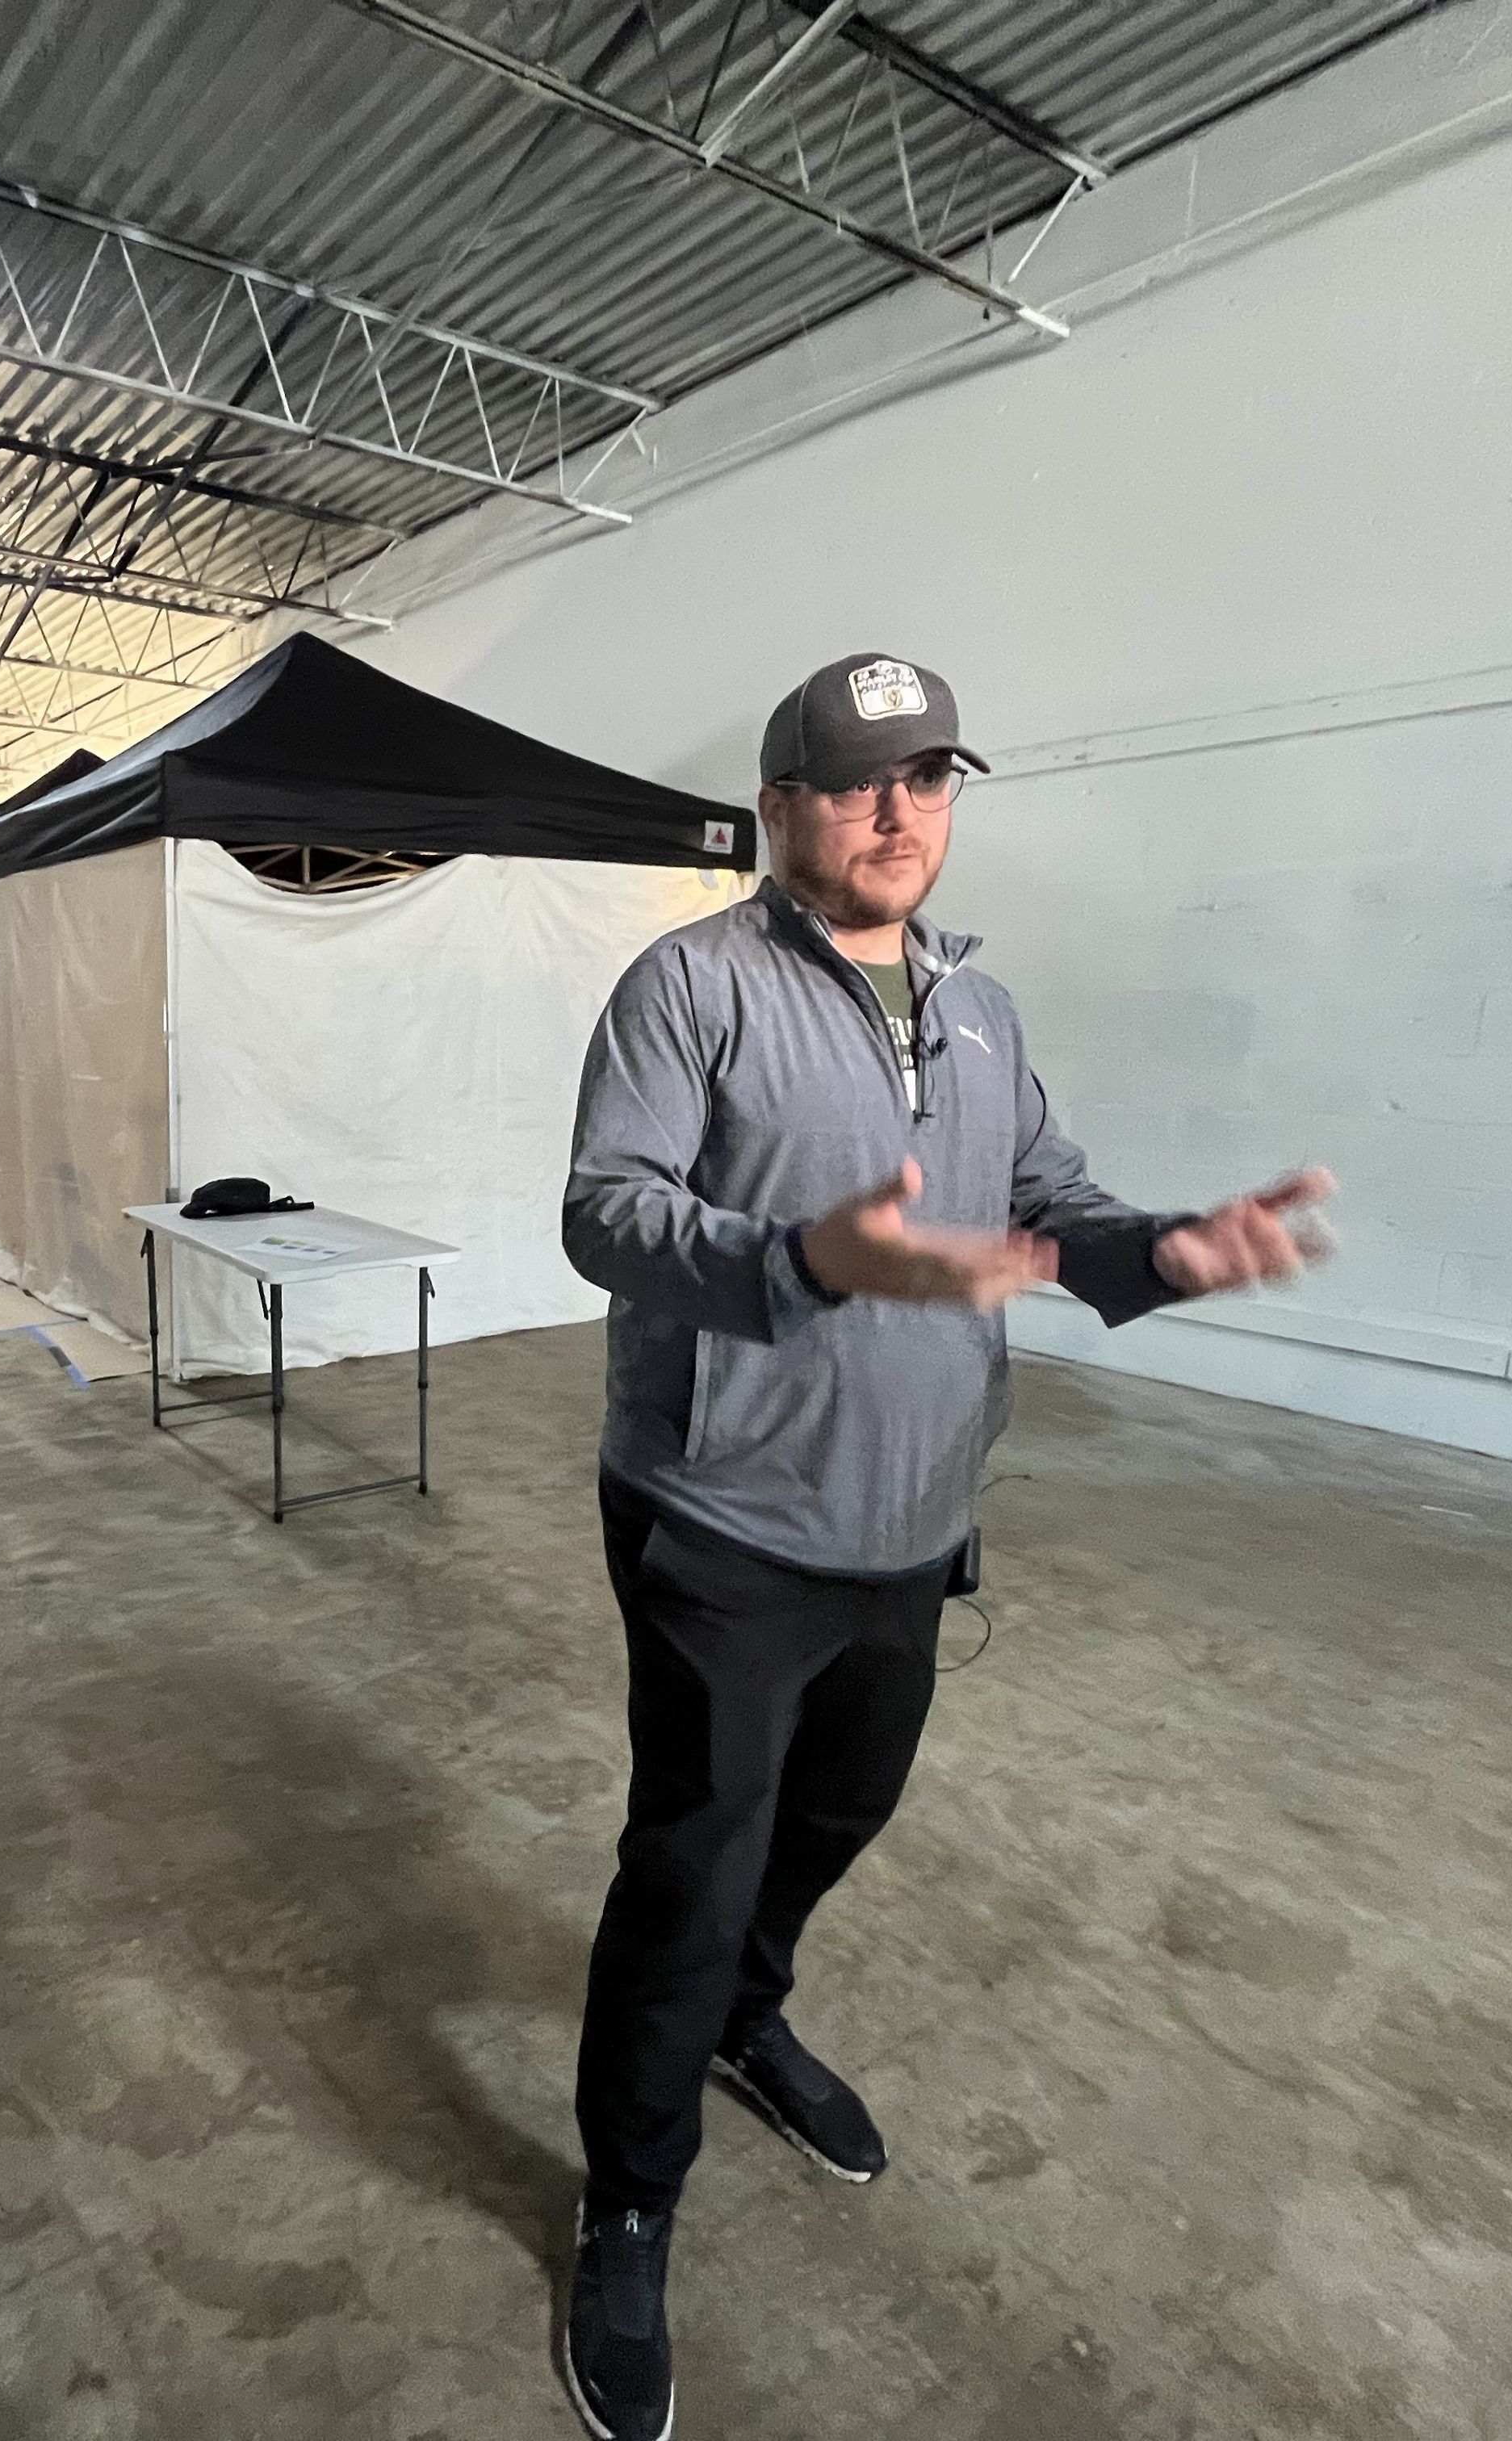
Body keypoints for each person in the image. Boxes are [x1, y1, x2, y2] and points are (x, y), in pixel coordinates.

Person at [554, 651, 1332, 2440]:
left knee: (841, 1808)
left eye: (928, 780)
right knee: (691, 1866)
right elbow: (605, 1213)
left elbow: (1045, 1198)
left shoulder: (980, 1008)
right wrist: (799, 1259)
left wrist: (1165, 1251)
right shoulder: (692, 989)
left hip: (909, 1515)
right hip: (726, 1514)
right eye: (856, 783)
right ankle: (631, 2198)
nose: (898, 814)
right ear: (781, 810)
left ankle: (746, 2017)